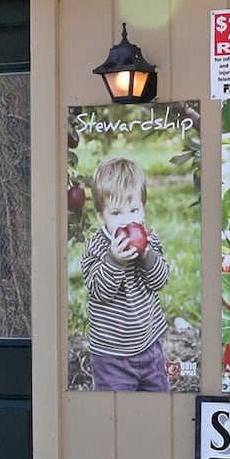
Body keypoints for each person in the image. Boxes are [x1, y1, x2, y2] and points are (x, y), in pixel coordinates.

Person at [80, 157, 170, 391]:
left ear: (143, 210)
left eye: (134, 210)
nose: (128, 220)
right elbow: (101, 291)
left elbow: (160, 280)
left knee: (158, 399)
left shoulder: (149, 241)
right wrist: (115, 261)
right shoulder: (97, 248)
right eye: (117, 213)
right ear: (102, 216)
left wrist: (147, 254)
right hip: (111, 356)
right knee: (115, 409)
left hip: (149, 346)